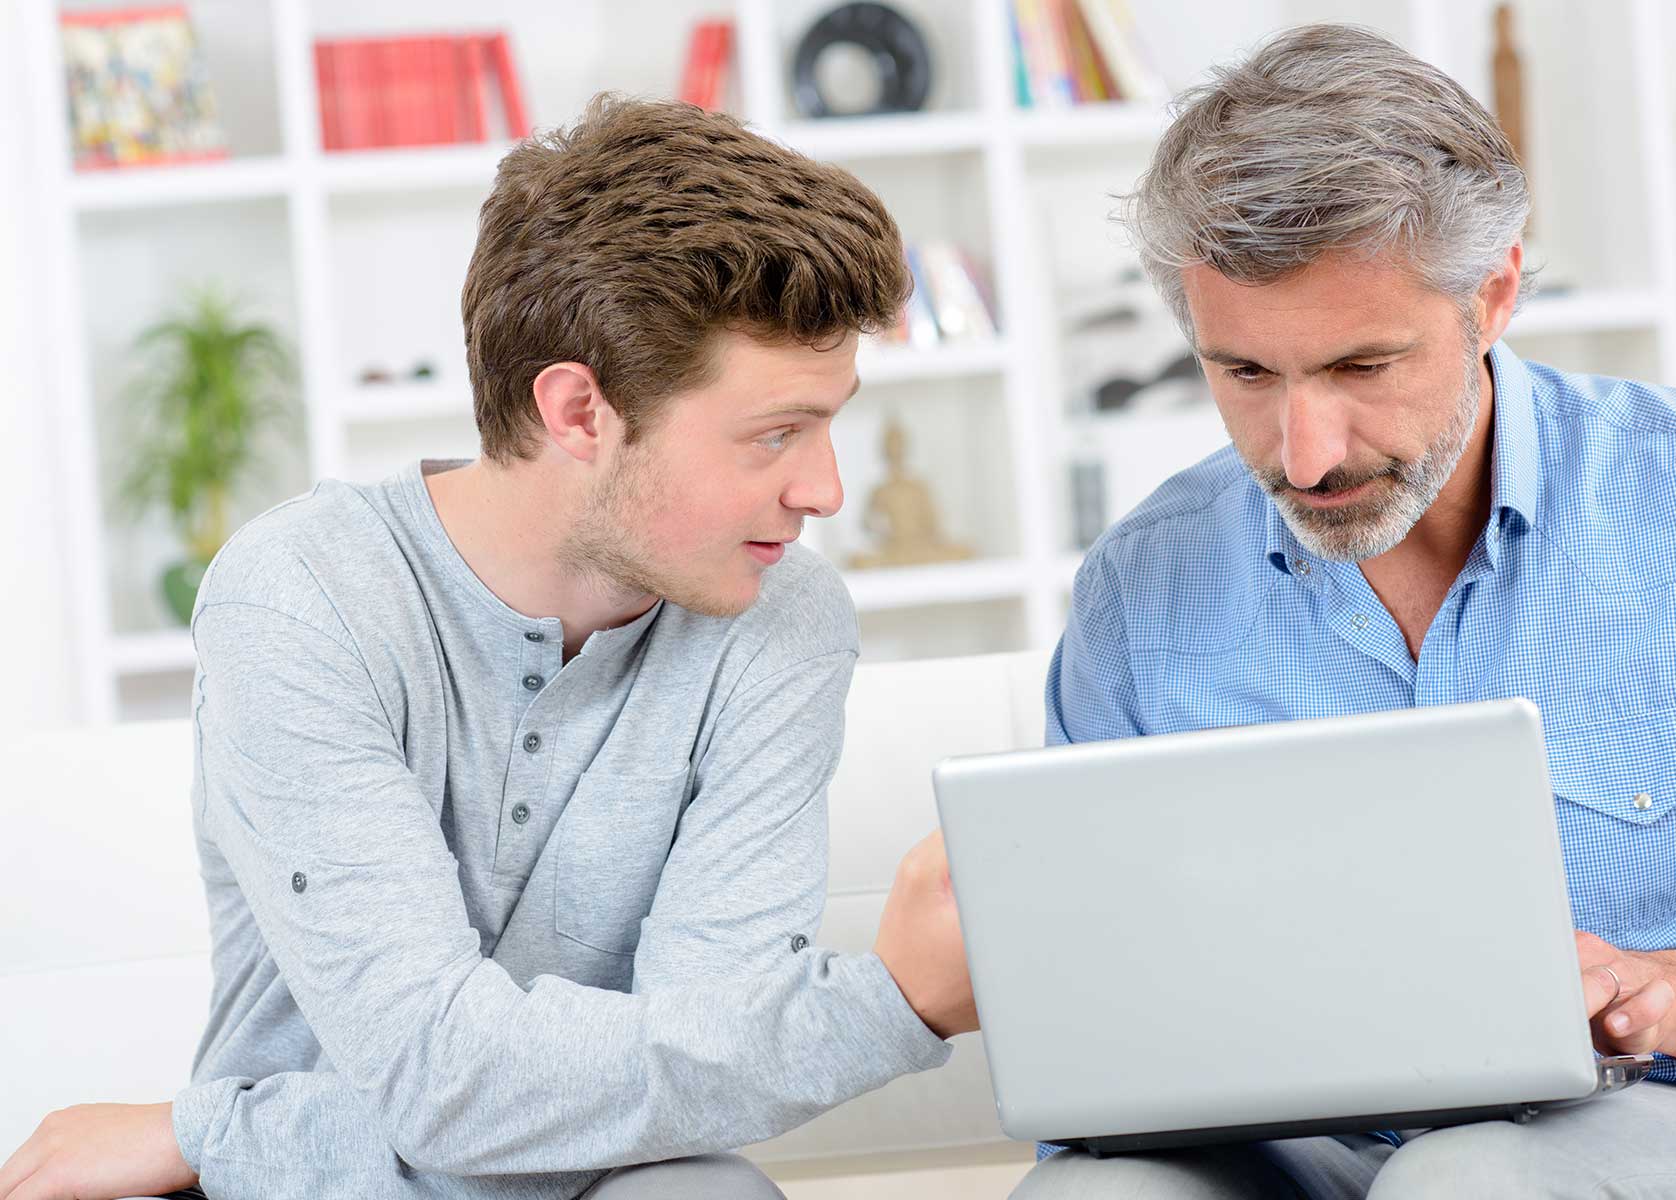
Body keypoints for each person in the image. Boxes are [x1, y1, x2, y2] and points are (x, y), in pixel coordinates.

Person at [0, 94, 975, 1200]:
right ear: (577, 413)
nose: (825, 490)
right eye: (774, 434)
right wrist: (891, 1005)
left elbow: (716, 1053)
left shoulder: (780, 620)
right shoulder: (305, 596)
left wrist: (216, 1131)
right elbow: (448, 1082)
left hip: (604, 1176)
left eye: (828, 421)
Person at [1015, 23, 1676, 1200]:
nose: (1306, 455)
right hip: (1289, 1147)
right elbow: (1094, 1037)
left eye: (1362, 368)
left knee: (1467, 1179)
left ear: (1493, 296)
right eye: (1245, 374)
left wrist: (1659, 991)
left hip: (1674, 1125)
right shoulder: (1144, 585)